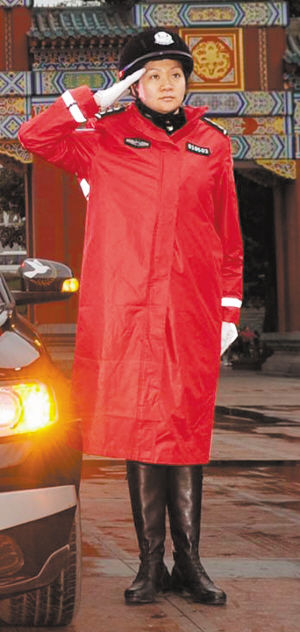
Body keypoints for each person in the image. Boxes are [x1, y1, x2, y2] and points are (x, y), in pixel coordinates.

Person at [18, 27, 243, 606]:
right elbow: (33, 135)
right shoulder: (102, 138)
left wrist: (228, 310)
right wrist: (98, 100)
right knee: (141, 428)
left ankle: (189, 563)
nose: (167, 84)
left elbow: (228, 234)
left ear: (188, 82)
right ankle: (150, 565)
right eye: (151, 75)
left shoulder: (212, 144)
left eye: (176, 74)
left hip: (190, 310)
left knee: (187, 430)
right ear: (131, 84)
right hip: (127, 310)